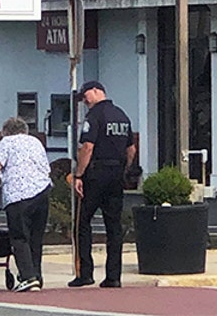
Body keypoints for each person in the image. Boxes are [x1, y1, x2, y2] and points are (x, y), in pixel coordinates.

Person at [0, 117, 53, 292]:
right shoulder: (35, 142)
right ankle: (36, 275)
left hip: (18, 196)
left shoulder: (6, 142)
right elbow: (46, 168)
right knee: (35, 238)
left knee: (19, 237)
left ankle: (27, 277)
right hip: (42, 192)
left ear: (6, 131)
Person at [69, 81, 136, 288]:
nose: (84, 100)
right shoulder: (122, 115)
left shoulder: (94, 116)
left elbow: (87, 147)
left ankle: (85, 273)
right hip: (116, 175)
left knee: (81, 223)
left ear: (97, 91)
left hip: (95, 175)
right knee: (114, 227)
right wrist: (124, 170)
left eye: (86, 95)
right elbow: (131, 149)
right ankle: (113, 277)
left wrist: (79, 175)